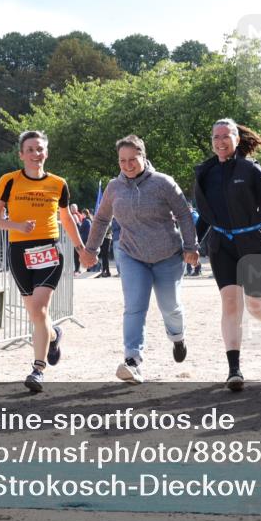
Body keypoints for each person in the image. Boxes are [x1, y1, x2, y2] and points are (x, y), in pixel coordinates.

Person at [81, 134, 199, 384]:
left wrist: (191, 246)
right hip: (131, 254)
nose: (127, 165)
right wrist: (91, 249)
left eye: (132, 159)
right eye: (122, 160)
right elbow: (102, 219)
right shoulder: (114, 187)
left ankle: (177, 337)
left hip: (167, 255)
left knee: (171, 307)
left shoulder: (163, 183)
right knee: (135, 307)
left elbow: (184, 215)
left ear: (143, 157)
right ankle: (132, 360)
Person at [0, 130, 88, 393]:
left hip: (49, 252)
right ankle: (54, 335)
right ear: (21, 155)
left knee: (41, 309)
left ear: (47, 152)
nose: (36, 154)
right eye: (30, 149)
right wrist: (18, 225)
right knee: (35, 315)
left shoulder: (58, 183)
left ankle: (37, 369)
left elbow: (66, 219)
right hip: (19, 252)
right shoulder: (9, 181)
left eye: (40, 149)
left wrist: (81, 248)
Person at [193, 118, 261, 391]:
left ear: (236, 139)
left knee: (255, 304)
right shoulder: (205, 172)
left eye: (225, 136)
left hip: (254, 241)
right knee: (231, 305)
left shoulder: (250, 169)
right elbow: (205, 216)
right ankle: (234, 369)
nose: (220, 141)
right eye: (215, 137)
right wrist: (192, 245)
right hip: (222, 244)